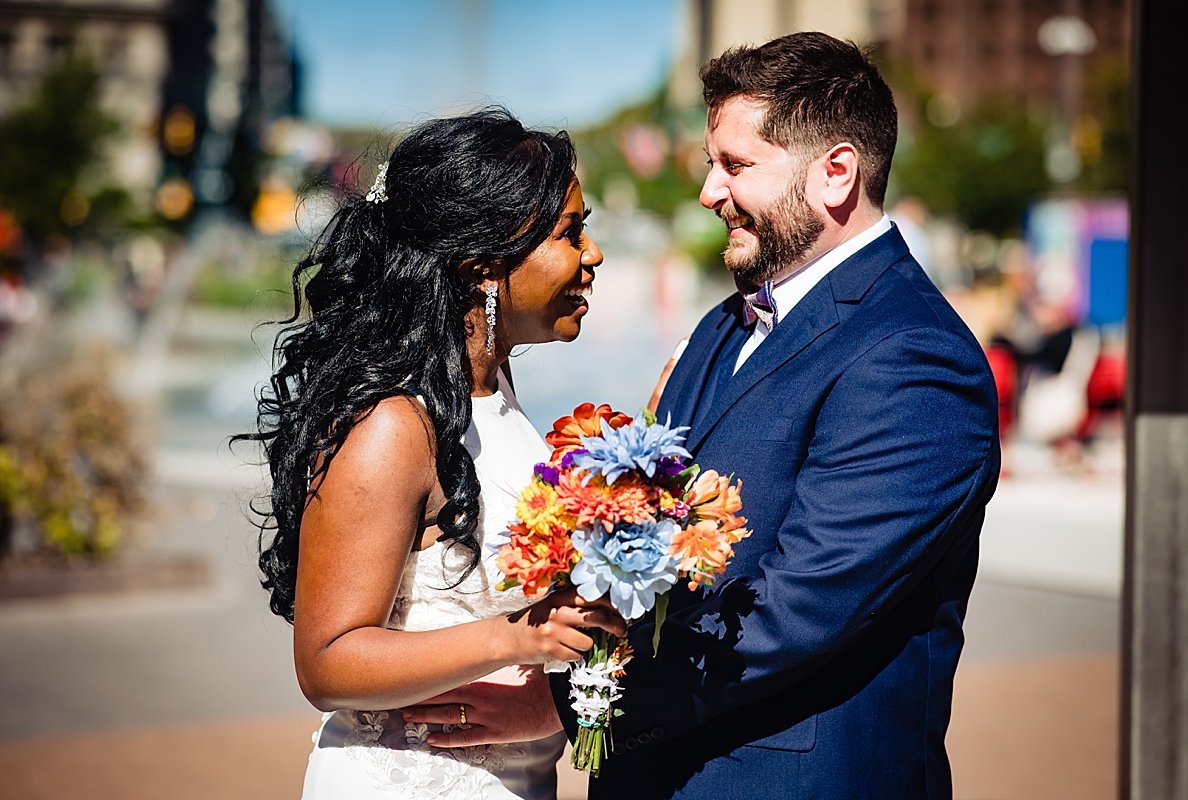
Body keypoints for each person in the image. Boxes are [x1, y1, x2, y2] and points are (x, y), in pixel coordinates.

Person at [550, 32, 1001, 798]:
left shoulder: (916, 356)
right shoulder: (726, 324)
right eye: (709, 164)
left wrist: (590, 699)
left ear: (836, 173)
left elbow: (794, 613)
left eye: (736, 165)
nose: (708, 193)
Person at [239, 108, 624, 799]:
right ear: (484, 261)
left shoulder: (492, 387)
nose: (592, 253)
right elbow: (327, 663)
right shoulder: (395, 421)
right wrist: (516, 638)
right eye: (570, 232)